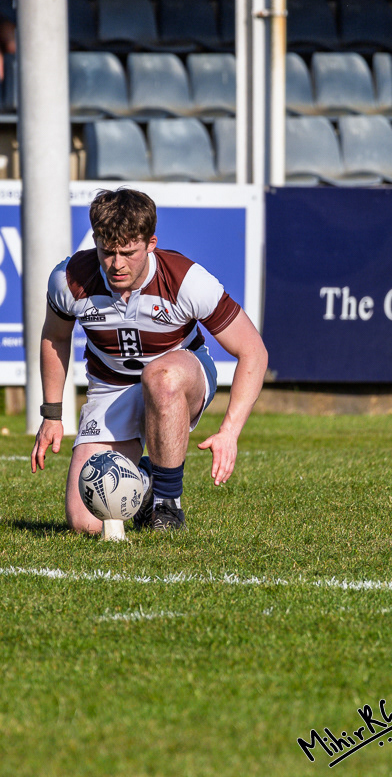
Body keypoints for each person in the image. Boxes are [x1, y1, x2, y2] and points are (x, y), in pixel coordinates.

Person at [31, 188, 268, 533]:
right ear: (95, 240)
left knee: (161, 376)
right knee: (85, 522)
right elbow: (55, 336)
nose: (116, 264)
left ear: (151, 243)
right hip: (110, 386)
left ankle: (168, 506)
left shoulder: (187, 280)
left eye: (128, 253)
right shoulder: (69, 279)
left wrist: (229, 432)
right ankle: (145, 483)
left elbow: (253, 351)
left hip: (180, 375)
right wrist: (52, 415)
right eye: (107, 251)